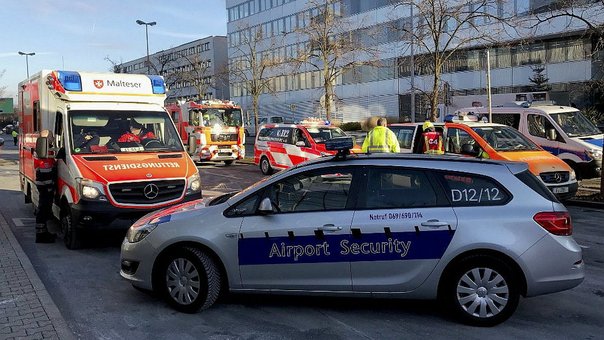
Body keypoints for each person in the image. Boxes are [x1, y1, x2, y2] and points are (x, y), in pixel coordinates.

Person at [35, 130, 57, 243]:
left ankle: (43, 233)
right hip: (45, 185)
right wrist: (49, 186)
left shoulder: (44, 148)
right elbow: (45, 170)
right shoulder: (45, 150)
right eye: (52, 137)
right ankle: (41, 235)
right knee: (44, 209)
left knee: (44, 209)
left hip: (43, 184)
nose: (53, 139)